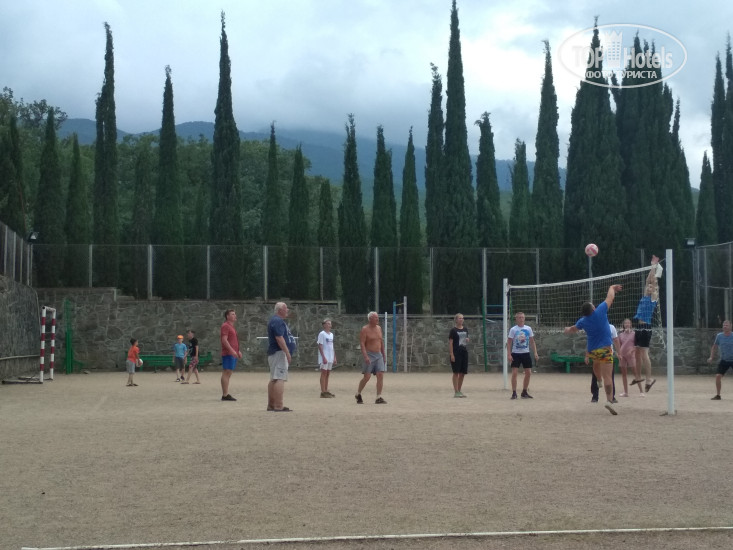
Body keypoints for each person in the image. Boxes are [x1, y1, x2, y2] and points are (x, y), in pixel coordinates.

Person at [564, 284, 623, 415]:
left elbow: (573, 329)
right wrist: (612, 287)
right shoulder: (600, 311)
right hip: (605, 349)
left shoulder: (583, 321)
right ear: (593, 308)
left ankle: (599, 381)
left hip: (592, 351)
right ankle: (609, 400)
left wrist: (567, 329)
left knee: (596, 366)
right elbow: (610, 297)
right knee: (608, 377)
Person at [632, 256, 662, 394]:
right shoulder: (645, 296)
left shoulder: (653, 298)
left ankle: (649, 379)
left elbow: (653, 282)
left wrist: (655, 268)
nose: (649, 287)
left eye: (651, 287)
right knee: (637, 353)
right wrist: (652, 266)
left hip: (646, 328)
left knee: (644, 354)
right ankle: (638, 377)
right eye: (648, 287)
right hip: (638, 328)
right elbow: (647, 280)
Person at [267, 302, 296, 411]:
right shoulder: (277, 321)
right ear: (280, 310)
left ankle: (271, 404)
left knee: (274, 378)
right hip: (279, 352)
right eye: (285, 308)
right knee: (280, 378)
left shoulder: (276, 321)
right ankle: (278, 405)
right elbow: (279, 338)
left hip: (276, 352)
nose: (287, 310)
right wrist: (287, 352)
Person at [356, 311, 387, 404]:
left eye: (377, 317)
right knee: (367, 376)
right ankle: (358, 393)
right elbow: (362, 343)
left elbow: (381, 342)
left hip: (378, 355)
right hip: (369, 354)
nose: (377, 319)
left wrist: (383, 355)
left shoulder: (379, 328)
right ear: (370, 319)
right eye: (375, 318)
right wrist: (365, 356)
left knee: (380, 375)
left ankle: (378, 397)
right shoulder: (365, 329)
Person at [507, 312, 538, 399]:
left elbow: (532, 341)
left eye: (522, 317)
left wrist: (535, 352)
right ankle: (514, 392)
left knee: (528, 372)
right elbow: (509, 343)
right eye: (519, 317)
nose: (521, 319)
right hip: (515, 353)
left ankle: (524, 391)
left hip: (526, 353)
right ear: (516, 319)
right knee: (514, 373)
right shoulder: (513, 329)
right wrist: (509, 354)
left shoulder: (528, 328)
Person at [590, 324, 618, 403]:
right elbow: (591, 340)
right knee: (596, 375)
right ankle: (595, 396)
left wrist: (619, 352)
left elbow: (616, 340)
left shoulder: (611, 327)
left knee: (609, 376)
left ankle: (611, 397)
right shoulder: (595, 326)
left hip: (608, 353)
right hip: (597, 352)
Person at [707, 320, 733, 400]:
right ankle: (718, 395)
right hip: (724, 360)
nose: (725, 326)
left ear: (731, 326)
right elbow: (714, 347)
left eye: (727, 325)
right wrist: (711, 357)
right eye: (724, 325)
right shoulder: (719, 336)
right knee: (718, 376)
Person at [617, 318, 643, 397]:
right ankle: (625, 392)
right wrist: (618, 353)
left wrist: (632, 350)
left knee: (635, 373)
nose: (627, 324)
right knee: (624, 374)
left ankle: (641, 391)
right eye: (625, 323)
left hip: (631, 355)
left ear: (631, 324)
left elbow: (637, 345)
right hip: (622, 355)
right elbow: (619, 345)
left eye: (628, 323)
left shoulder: (634, 334)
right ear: (623, 325)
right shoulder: (621, 335)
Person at [220, 309, 242, 401]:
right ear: (227, 316)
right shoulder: (225, 326)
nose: (235, 315)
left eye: (235, 314)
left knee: (229, 373)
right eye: (232, 314)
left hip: (232, 353)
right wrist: (231, 350)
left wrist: (238, 350)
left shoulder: (231, 326)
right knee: (227, 372)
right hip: (228, 353)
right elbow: (224, 340)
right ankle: (225, 394)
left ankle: (226, 393)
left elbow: (233, 340)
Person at [449, 313, 469, 398]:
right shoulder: (453, 330)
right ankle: (456, 391)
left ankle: (459, 391)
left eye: (462, 318)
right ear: (456, 320)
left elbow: (465, 339)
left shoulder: (465, 329)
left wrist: (467, 340)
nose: (461, 319)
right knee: (456, 372)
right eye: (460, 318)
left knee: (462, 373)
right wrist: (452, 354)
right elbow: (450, 343)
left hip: (464, 352)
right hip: (456, 353)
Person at [317, 318, 336, 398]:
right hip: (324, 356)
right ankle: (323, 391)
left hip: (330, 356)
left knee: (328, 373)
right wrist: (323, 357)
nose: (329, 325)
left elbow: (332, 346)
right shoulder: (322, 334)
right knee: (324, 373)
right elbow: (320, 345)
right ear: (324, 325)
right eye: (328, 323)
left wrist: (334, 357)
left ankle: (326, 390)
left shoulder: (331, 335)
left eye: (330, 324)